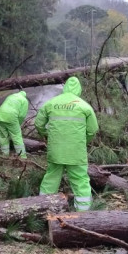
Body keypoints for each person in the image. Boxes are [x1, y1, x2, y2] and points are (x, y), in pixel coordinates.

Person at [34, 76, 98, 211]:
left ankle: (44, 210)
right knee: (80, 181)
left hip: (56, 150)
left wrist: (46, 135)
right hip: (76, 152)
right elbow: (93, 130)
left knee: (50, 179)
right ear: (79, 90)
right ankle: (83, 214)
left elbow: (38, 124)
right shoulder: (84, 106)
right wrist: (83, 141)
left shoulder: (51, 103)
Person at [0, 91, 29, 159]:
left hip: (1, 114)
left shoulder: (11, 96)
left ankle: (5, 154)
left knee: (3, 136)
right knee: (16, 136)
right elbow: (21, 115)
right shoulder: (24, 100)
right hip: (11, 115)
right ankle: (22, 157)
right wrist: (18, 124)